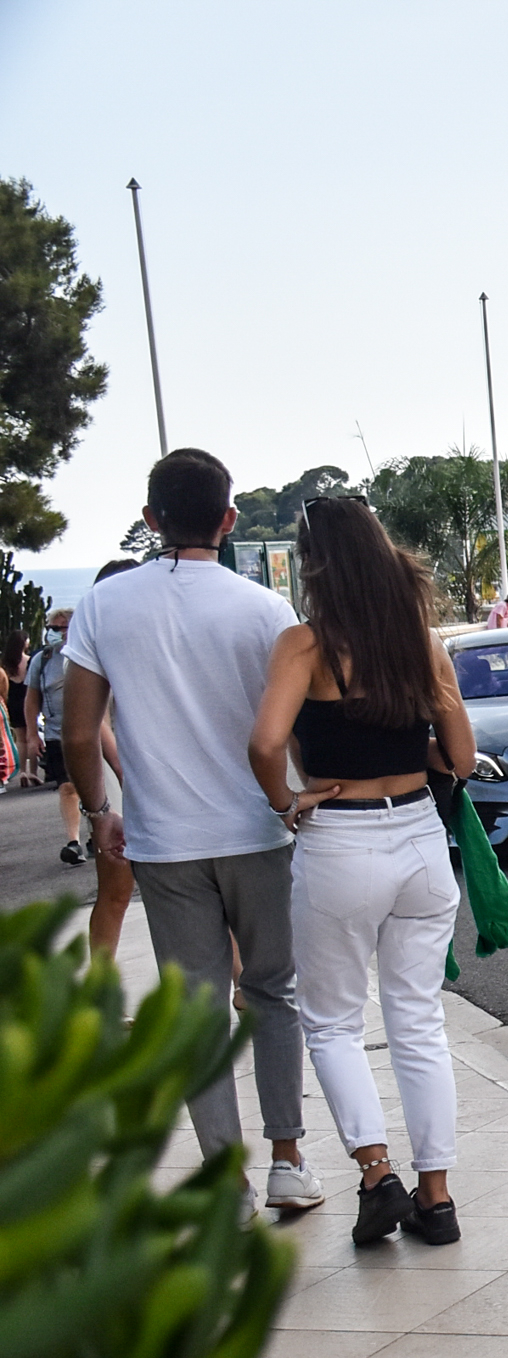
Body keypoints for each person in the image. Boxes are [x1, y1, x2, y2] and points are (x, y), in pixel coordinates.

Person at [61, 448, 315, 1215]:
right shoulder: (264, 608)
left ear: (150, 521)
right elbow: (291, 730)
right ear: (230, 520)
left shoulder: (103, 607)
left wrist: (102, 810)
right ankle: (288, 1160)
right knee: (273, 993)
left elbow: (78, 731)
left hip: (163, 841)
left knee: (198, 1007)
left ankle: (227, 1182)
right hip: (258, 832)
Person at [249, 495, 476, 1247]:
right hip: (417, 838)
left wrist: (287, 799)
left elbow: (264, 742)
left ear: (313, 564)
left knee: (335, 1023)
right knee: (418, 1023)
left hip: (340, 841)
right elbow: (463, 760)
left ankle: (377, 1173)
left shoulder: (304, 646)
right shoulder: (424, 643)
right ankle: (437, 1200)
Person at [82, 560, 140, 962]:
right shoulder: (98, 639)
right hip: (118, 770)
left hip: (136, 766)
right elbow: (93, 720)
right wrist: (122, 768)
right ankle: (101, 990)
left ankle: (240, 980)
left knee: (198, 880)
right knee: (117, 885)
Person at [26, 605, 84, 861]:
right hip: (57, 734)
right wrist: (31, 734)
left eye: (64, 627)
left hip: (93, 732)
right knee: (67, 787)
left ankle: (100, 833)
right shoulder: (43, 659)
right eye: (53, 628)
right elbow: (32, 699)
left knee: (98, 786)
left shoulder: (87, 652)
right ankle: (73, 841)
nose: (58, 633)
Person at [3, 626, 27, 786]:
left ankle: (21, 770)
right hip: (28, 699)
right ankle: (31, 771)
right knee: (32, 736)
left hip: (12, 700)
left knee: (20, 738)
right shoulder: (30, 660)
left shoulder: (5, 663)